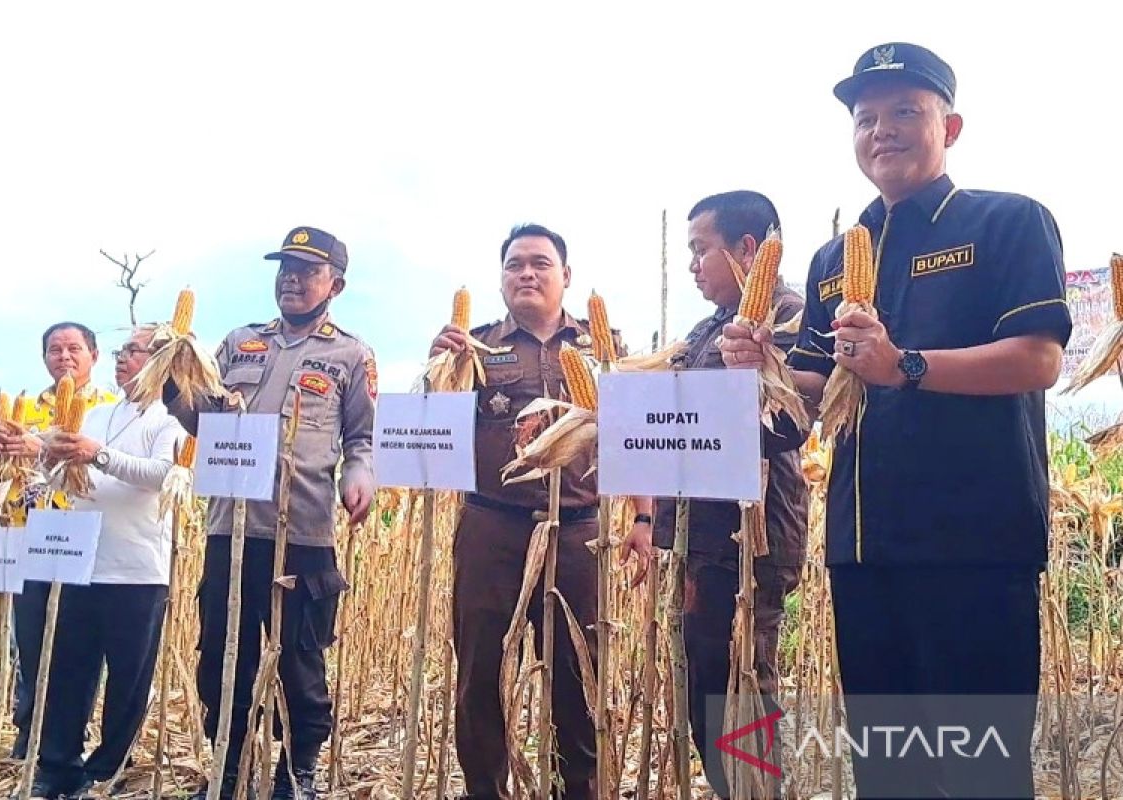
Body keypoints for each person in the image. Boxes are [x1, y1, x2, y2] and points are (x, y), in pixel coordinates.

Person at [720, 42, 1072, 798]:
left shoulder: (1009, 223)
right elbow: (811, 398)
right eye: (866, 117)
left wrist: (904, 365)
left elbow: (1039, 358)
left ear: (952, 126)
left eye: (906, 111)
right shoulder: (828, 262)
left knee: (980, 775)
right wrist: (763, 375)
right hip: (863, 550)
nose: (883, 130)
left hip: (976, 550)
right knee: (890, 774)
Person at [429, 223, 653, 800]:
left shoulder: (606, 349)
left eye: (540, 263)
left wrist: (643, 519)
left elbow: (633, 438)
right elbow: (431, 437)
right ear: (501, 278)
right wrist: (437, 375)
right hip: (491, 526)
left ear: (565, 277)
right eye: (514, 265)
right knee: (479, 671)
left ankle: (575, 789)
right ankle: (486, 789)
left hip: (579, 532)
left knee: (580, 676)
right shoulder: (473, 347)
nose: (526, 273)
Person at [165, 226, 375, 800]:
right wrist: (170, 379)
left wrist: (361, 475)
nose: (290, 277)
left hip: (302, 530)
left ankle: (297, 770)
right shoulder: (238, 342)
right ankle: (227, 769)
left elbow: (362, 437)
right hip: (230, 527)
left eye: (307, 269)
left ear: (336, 283)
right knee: (222, 656)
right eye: (284, 266)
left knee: (299, 663)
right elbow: (199, 416)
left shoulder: (350, 354)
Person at [643, 193, 807, 793]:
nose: (692, 265)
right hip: (701, 538)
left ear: (745, 249)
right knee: (706, 685)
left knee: (741, 688)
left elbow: (789, 423)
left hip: (750, 540)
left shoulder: (788, 317)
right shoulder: (707, 327)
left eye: (699, 249)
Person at [26, 325, 184, 798]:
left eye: (132, 352)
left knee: (128, 681)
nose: (121, 360)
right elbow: (63, 476)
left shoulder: (171, 420)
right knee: (68, 671)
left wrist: (102, 456)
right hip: (81, 561)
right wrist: (41, 459)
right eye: (121, 351)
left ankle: (107, 771)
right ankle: (58, 766)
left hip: (137, 570)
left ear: (162, 360)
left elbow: (165, 474)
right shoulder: (95, 414)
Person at [0, 321, 117, 757]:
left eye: (74, 348)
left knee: (82, 647)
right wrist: (3, 445)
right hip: (33, 536)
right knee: (33, 639)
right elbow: (1, 465)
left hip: (88, 538)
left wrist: (38, 446)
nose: (64, 357)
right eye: (55, 350)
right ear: (44, 357)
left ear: (94, 356)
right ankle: (30, 733)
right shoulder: (23, 411)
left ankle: (70, 735)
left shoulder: (112, 409)